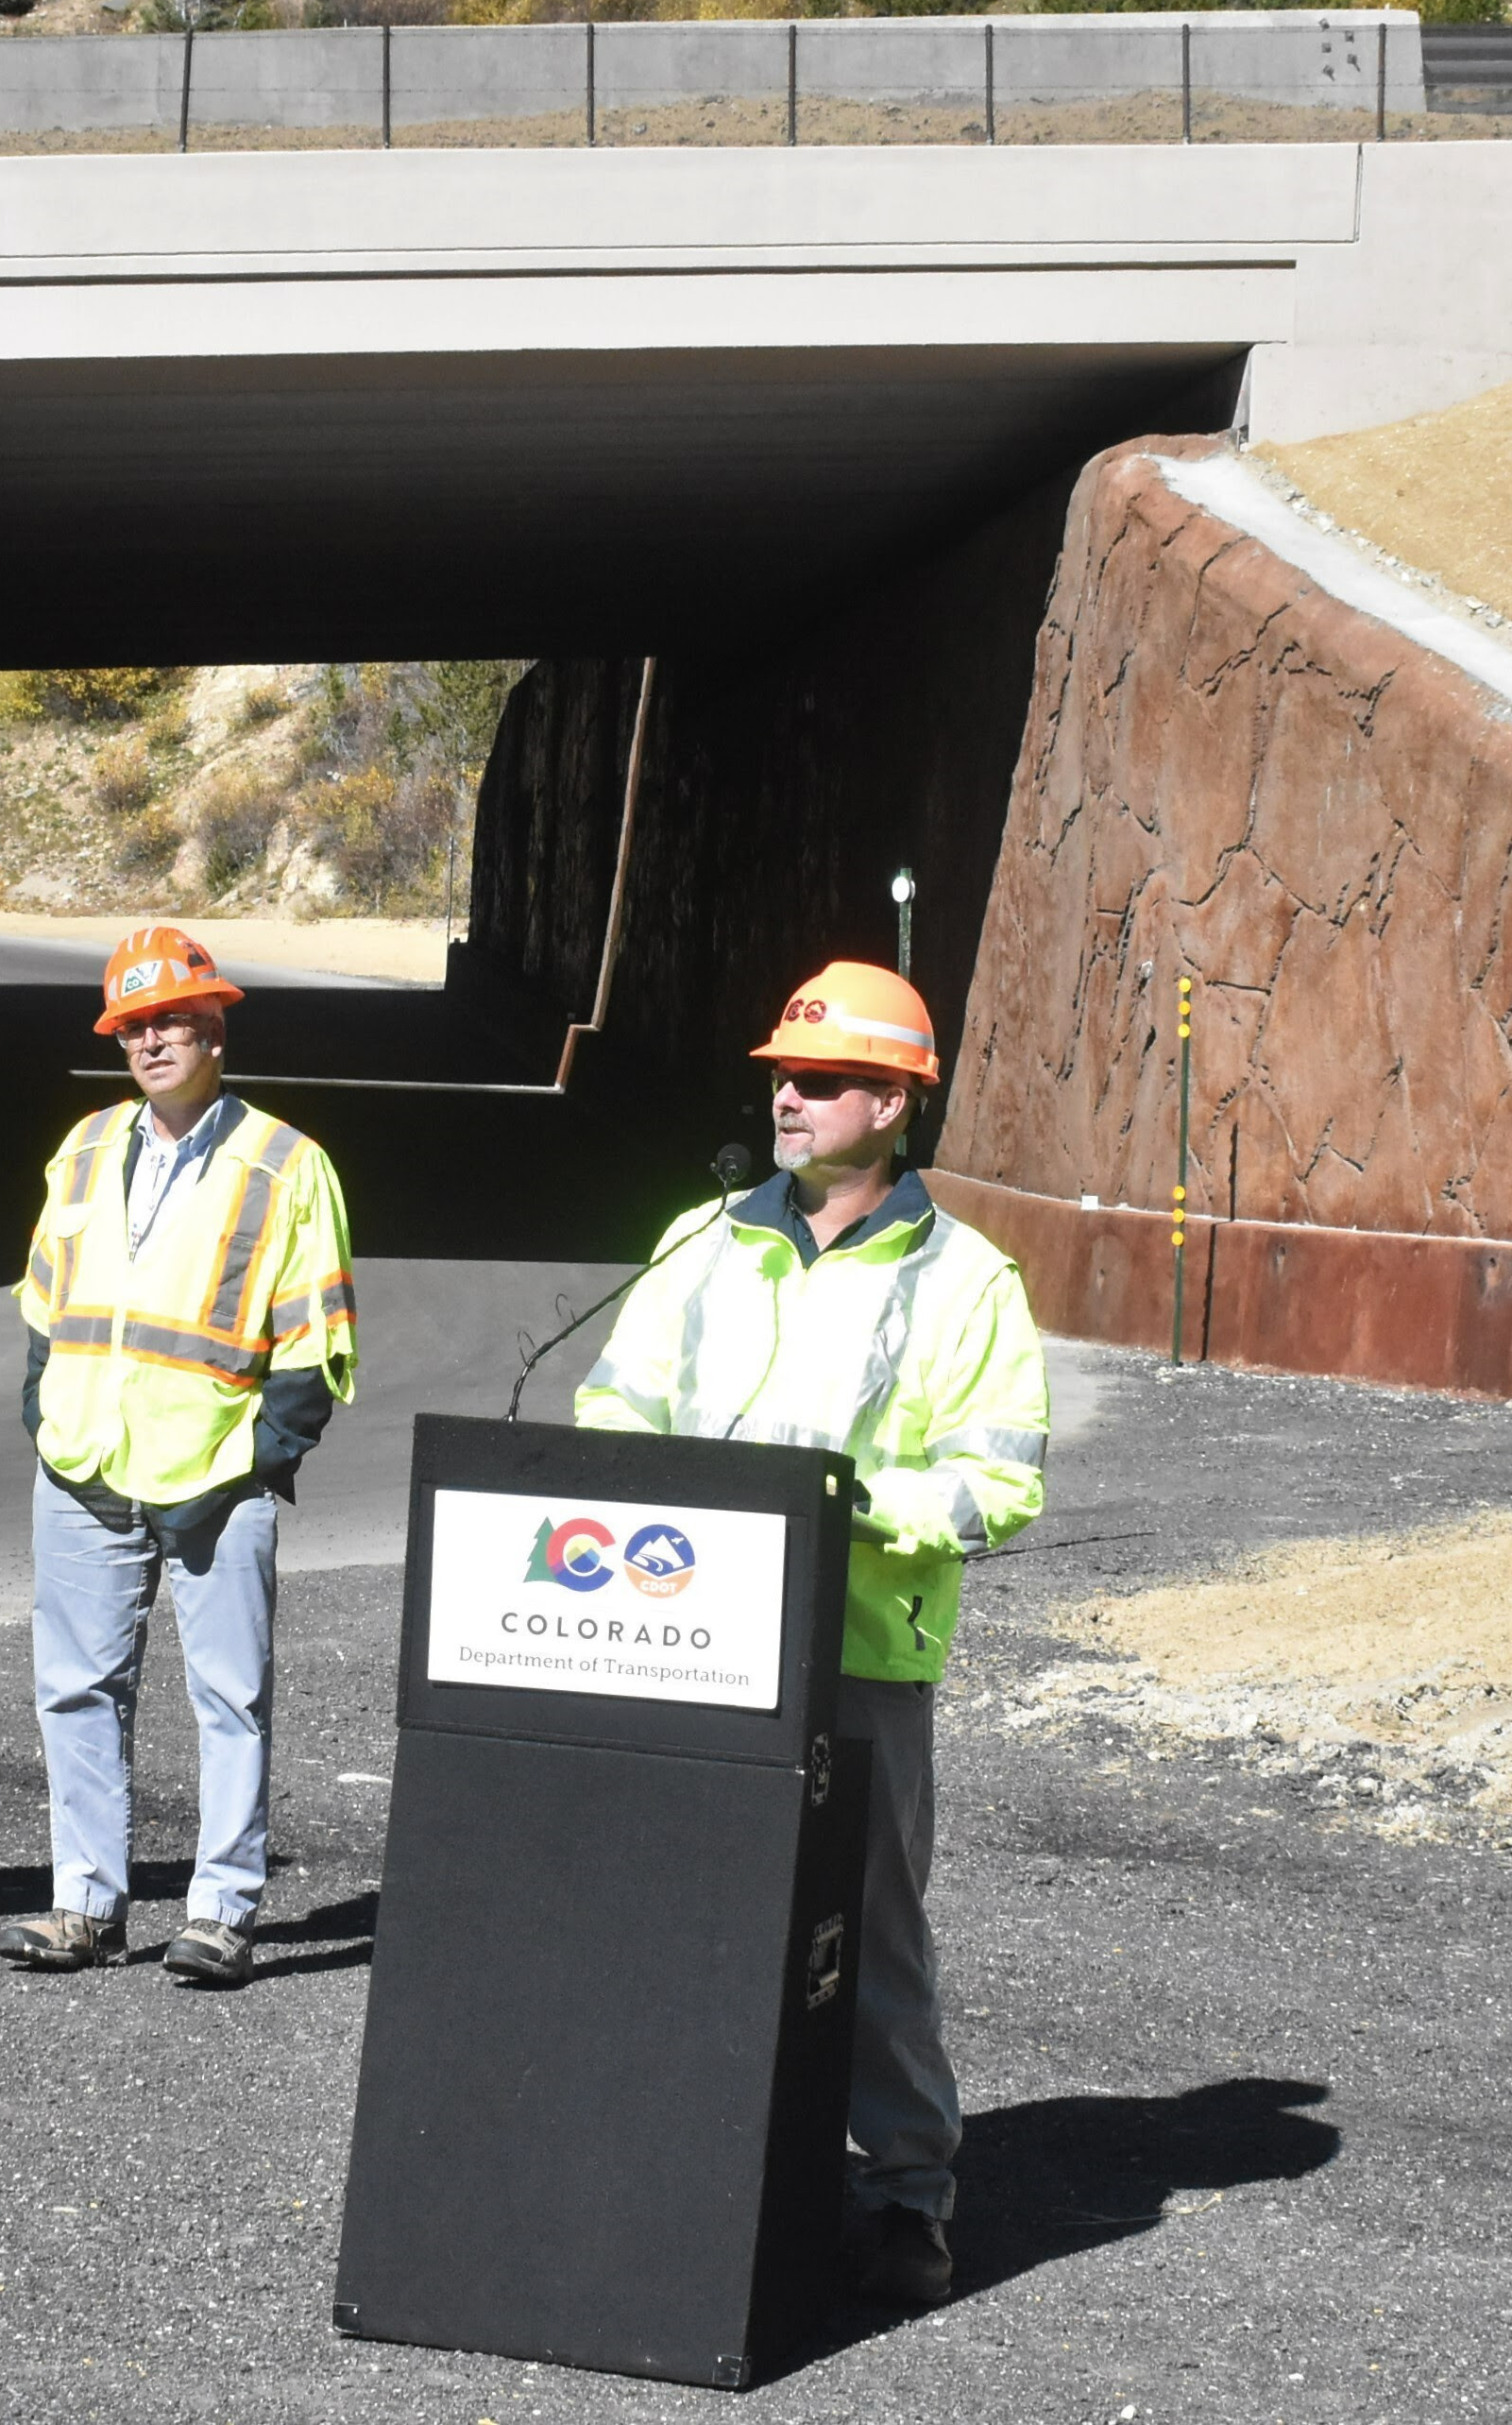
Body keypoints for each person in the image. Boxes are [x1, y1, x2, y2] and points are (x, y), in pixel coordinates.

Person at [574, 960, 1049, 2310]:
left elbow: (998, 1479)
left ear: (894, 1099)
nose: (786, 1092)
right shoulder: (699, 1236)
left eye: (821, 1076)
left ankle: (904, 2195)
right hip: (684, 1640)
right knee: (683, 1915)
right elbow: (616, 1403)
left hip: (858, 1659)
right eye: (780, 1071)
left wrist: (845, 1505)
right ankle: (687, 2163)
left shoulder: (966, 1279)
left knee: (871, 1938)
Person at [0, 927, 357, 1991]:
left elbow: (317, 1343)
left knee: (229, 1697)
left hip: (214, 1475)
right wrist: (44, 1410)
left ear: (215, 1027)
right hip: (83, 1465)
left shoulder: (288, 1164)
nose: (152, 1039)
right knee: (74, 1689)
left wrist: (256, 1459)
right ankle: (84, 1905)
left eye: (171, 1020)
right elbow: (42, 1306)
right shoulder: (83, 1148)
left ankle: (220, 1912)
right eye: (133, 1024)